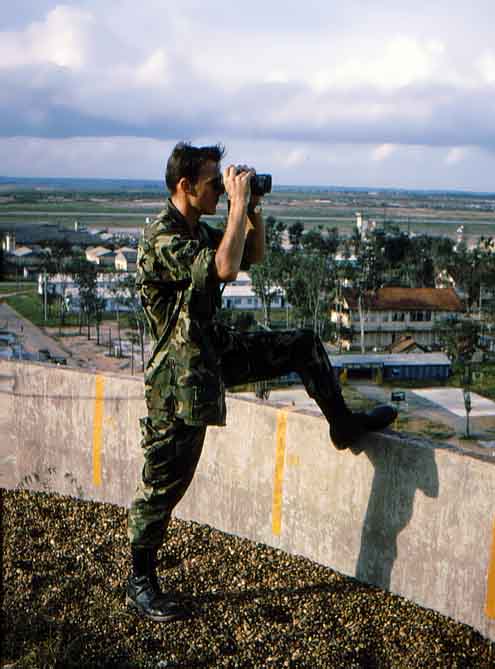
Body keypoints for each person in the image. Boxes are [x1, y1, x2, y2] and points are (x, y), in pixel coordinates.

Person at [126, 142, 397, 622]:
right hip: (180, 376)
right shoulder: (162, 239)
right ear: (186, 187)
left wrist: (251, 208)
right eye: (214, 183)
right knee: (165, 483)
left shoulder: (196, 228)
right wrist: (234, 207)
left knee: (304, 345)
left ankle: (344, 426)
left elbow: (251, 254)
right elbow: (224, 267)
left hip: (213, 352)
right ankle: (139, 580)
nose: (219, 190)